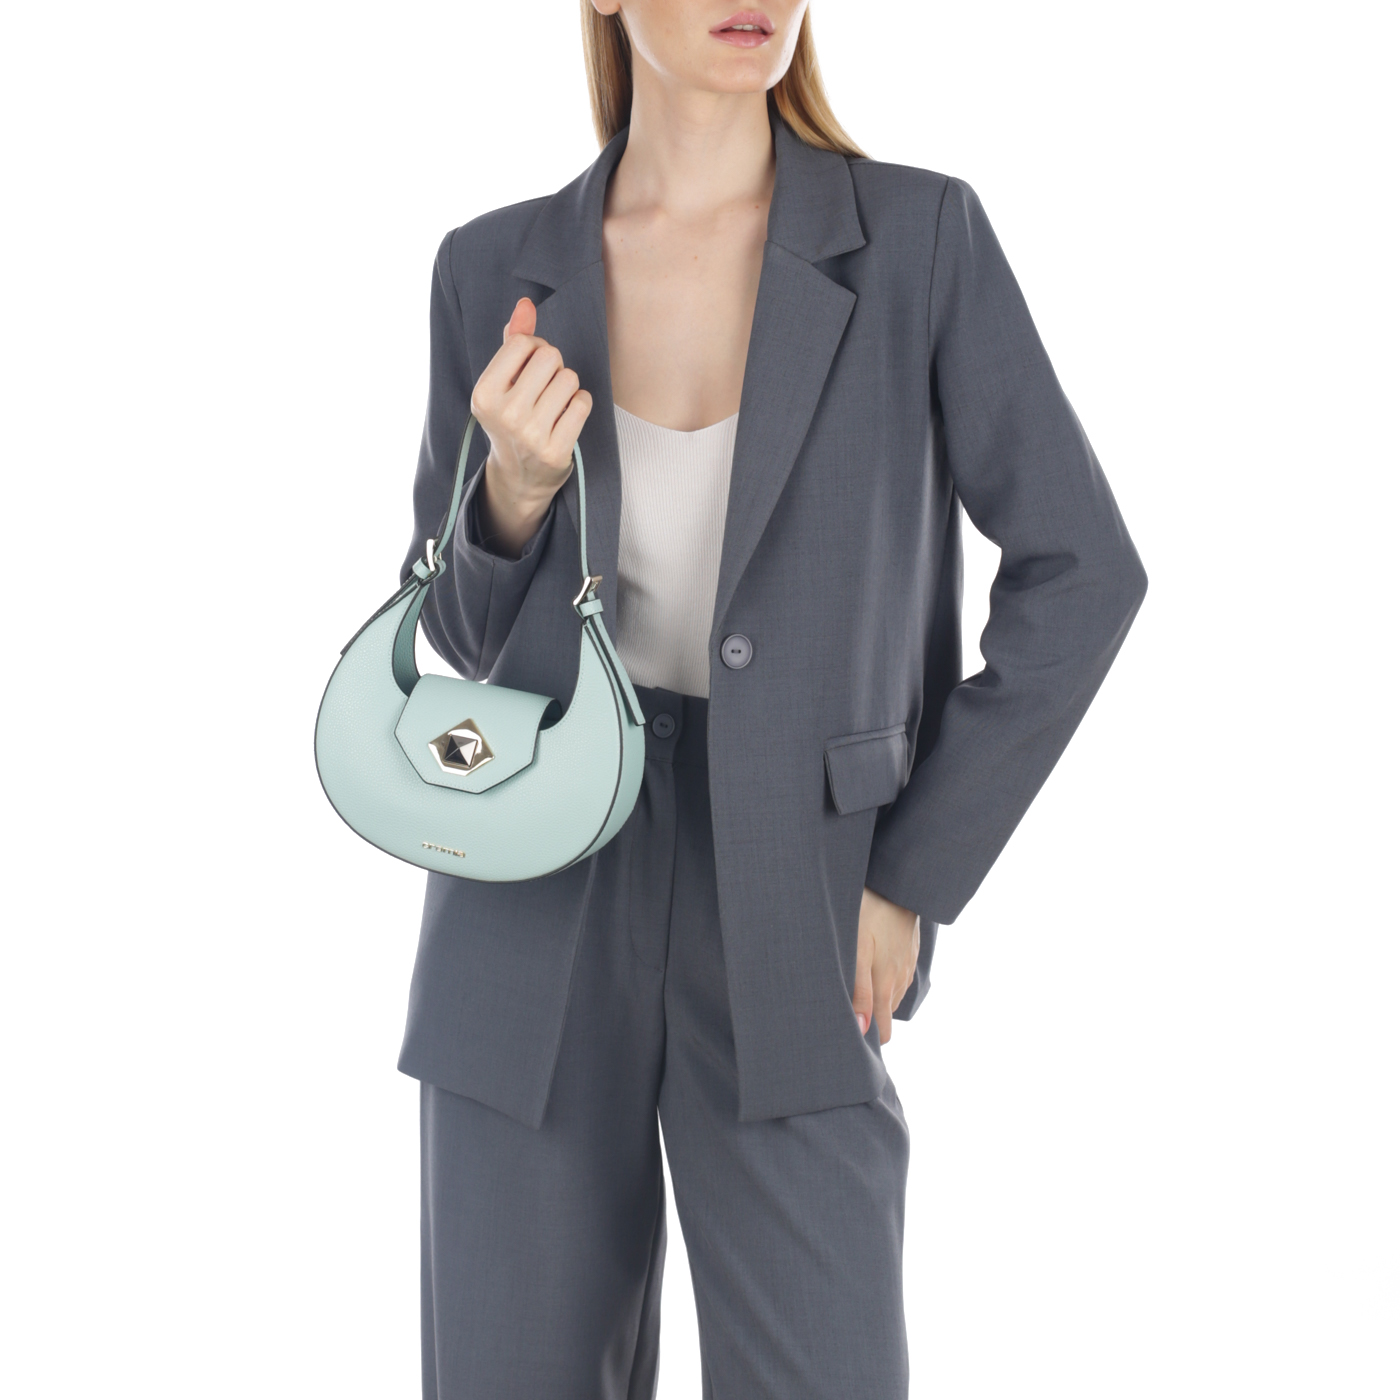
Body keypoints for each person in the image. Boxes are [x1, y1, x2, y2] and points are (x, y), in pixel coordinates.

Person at [397, 3, 1146, 1396]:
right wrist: (512, 490)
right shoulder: (491, 267)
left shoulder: (919, 239)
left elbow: (1084, 571)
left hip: (801, 887)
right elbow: (458, 634)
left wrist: (911, 872)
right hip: (535, 899)